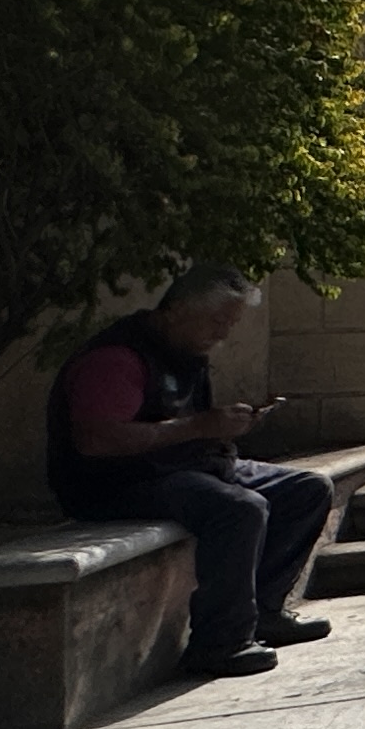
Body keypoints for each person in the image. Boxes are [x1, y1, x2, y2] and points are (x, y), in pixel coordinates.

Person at [46, 263, 331, 680]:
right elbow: (98, 441)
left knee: (309, 489)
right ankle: (220, 641)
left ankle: (264, 610)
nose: (223, 334)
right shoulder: (117, 358)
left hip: (183, 465)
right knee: (239, 509)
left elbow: (186, 425)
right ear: (177, 310)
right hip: (115, 482)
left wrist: (224, 427)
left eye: (230, 324)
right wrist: (199, 427)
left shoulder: (186, 352)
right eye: (217, 321)